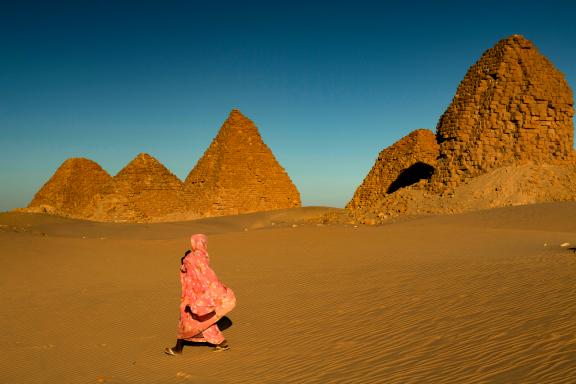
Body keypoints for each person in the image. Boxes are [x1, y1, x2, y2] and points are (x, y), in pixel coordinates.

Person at [165, 234, 236, 355]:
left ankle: (178, 348)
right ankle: (221, 342)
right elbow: (208, 276)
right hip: (204, 294)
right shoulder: (204, 256)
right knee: (204, 320)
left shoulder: (192, 257)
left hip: (193, 295)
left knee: (185, 319)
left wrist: (184, 259)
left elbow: (186, 268)